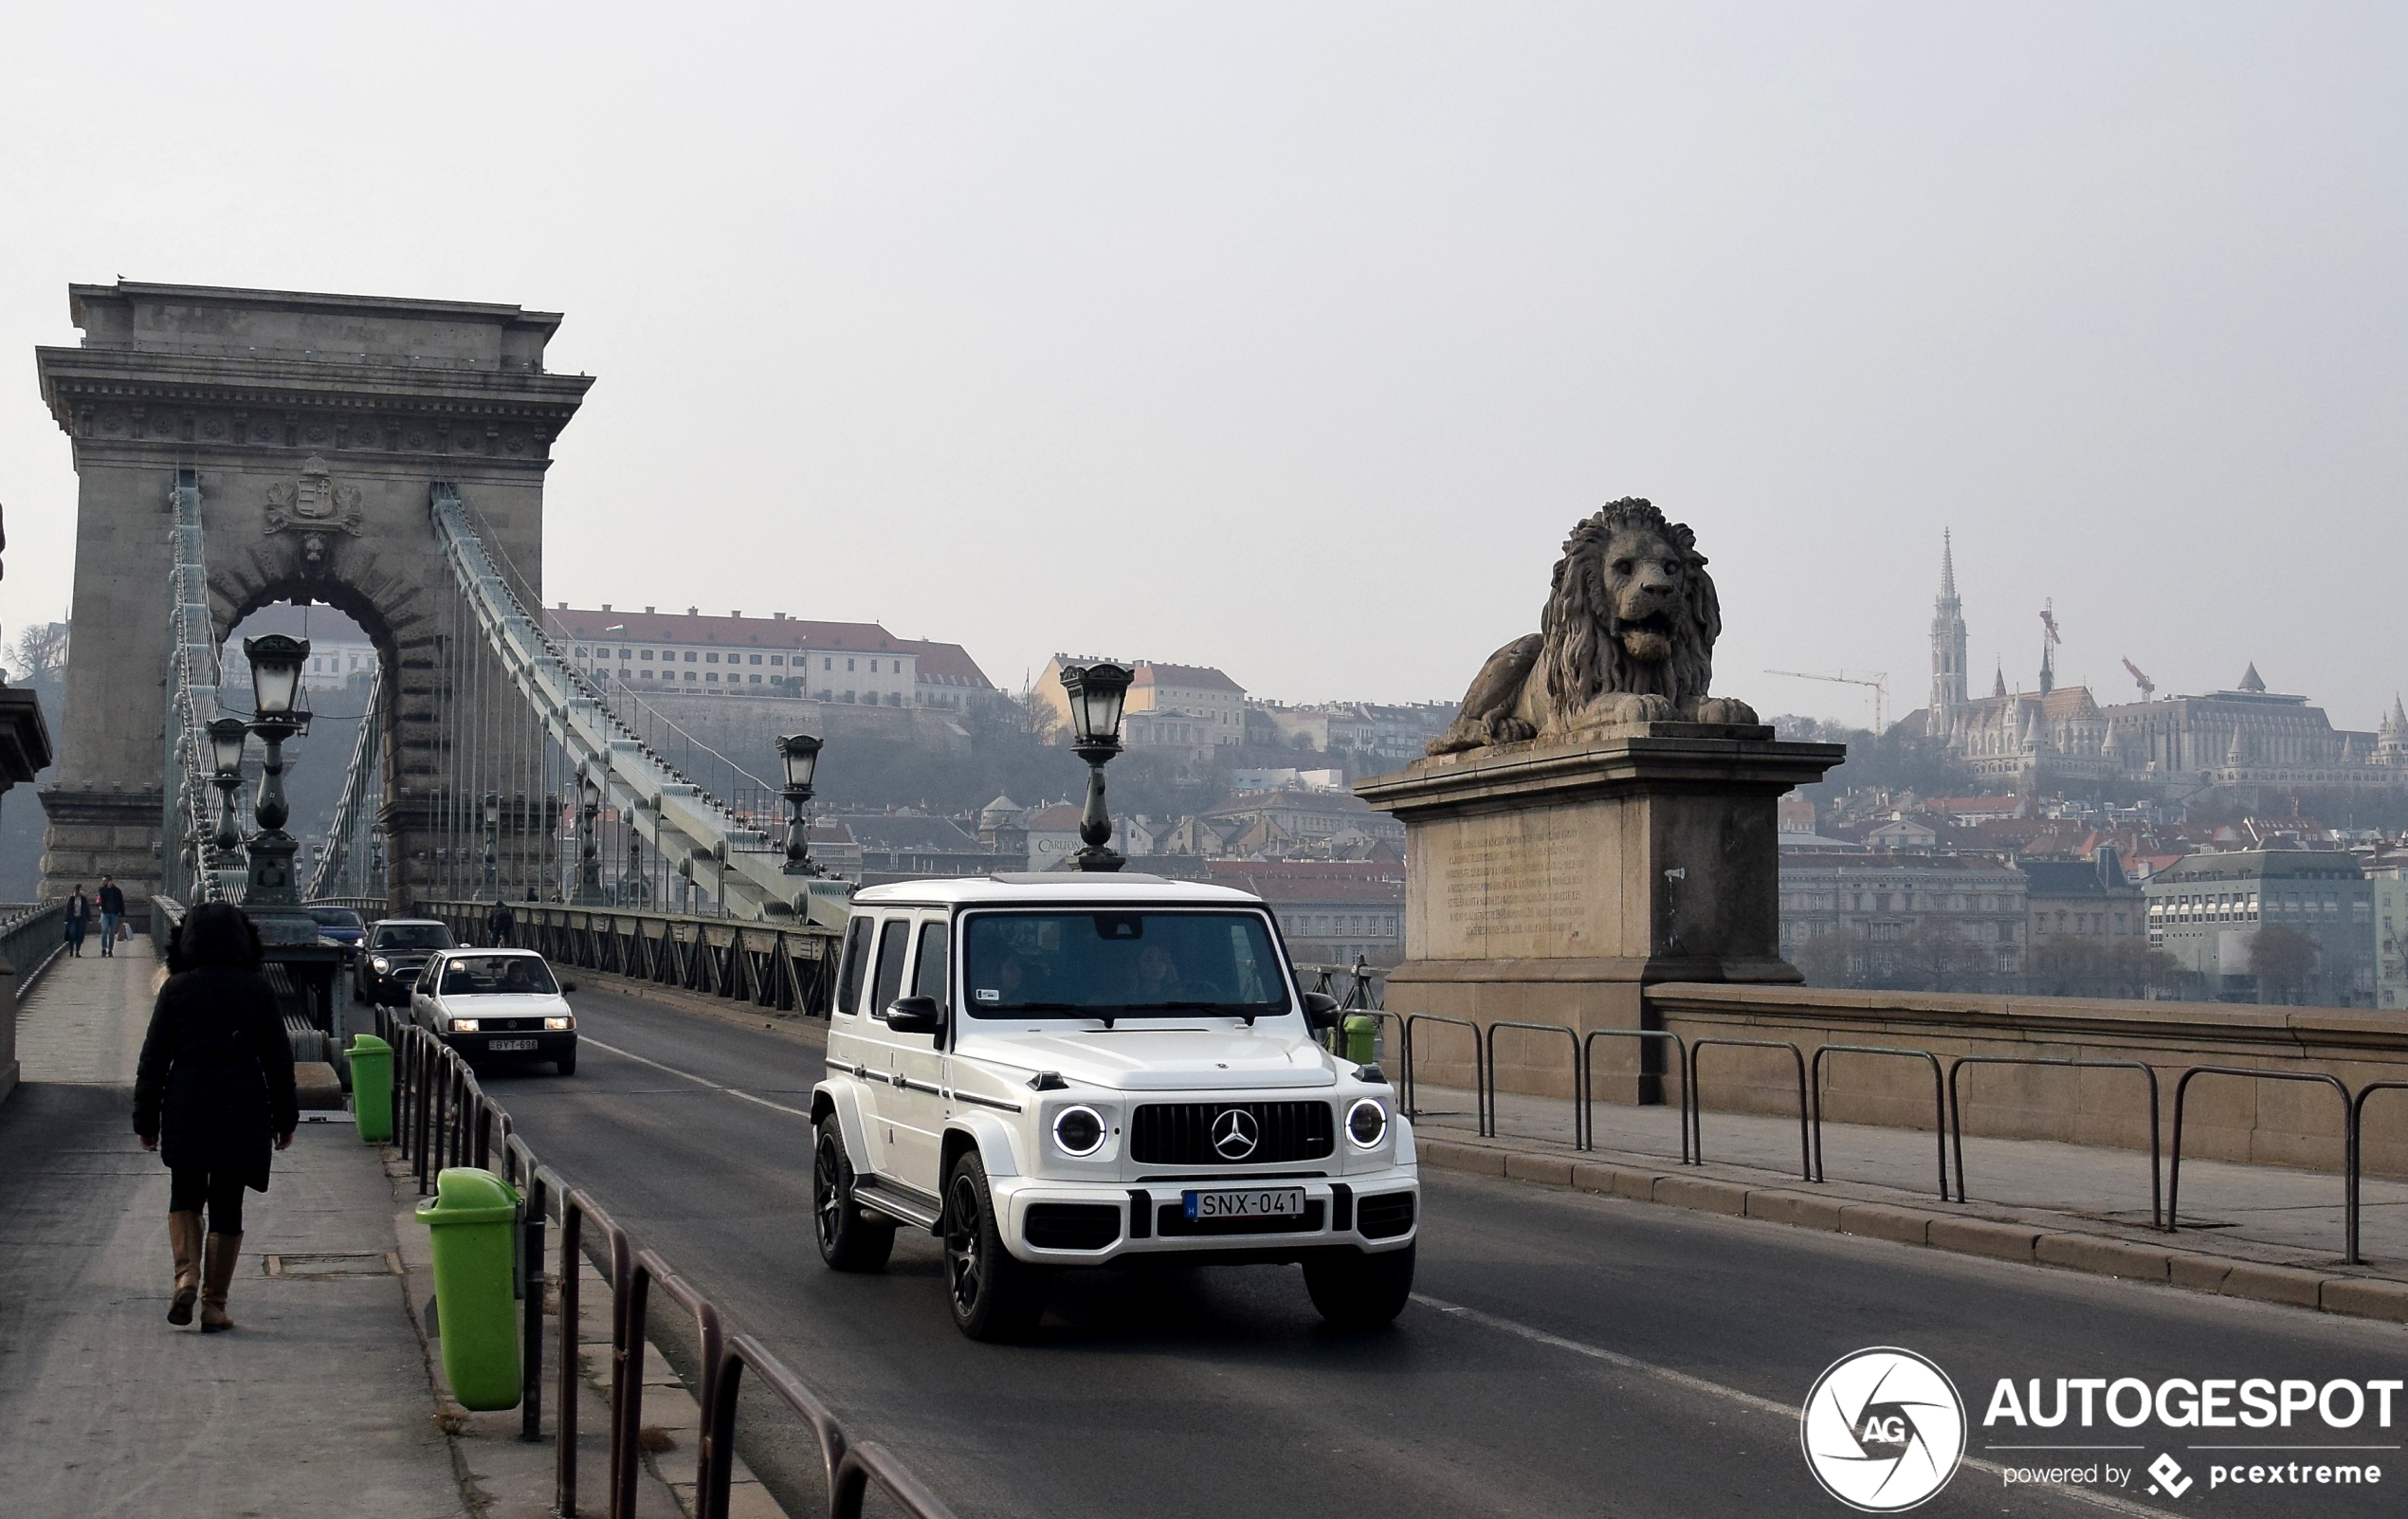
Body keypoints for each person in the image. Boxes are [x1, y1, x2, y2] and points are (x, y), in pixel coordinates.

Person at [133, 904, 299, 1332]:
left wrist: (146, 1121)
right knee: (228, 1201)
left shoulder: (176, 989)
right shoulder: (257, 989)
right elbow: (279, 1060)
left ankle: (186, 1276)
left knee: (185, 1192)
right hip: (242, 1102)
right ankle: (214, 1306)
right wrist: (285, 1118)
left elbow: (153, 1060)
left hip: (187, 1098)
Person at [97, 875, 126, 958]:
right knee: (104, 930)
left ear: (110, 881)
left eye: (105, 880)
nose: (103, 882)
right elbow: (103, 897)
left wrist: (123, 914)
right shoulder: (102, 889)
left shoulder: (117, 891)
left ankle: (110, 949)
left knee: (112, 932)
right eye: (103, 880)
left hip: (114, 914)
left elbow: (121, 903)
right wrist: (108, 889)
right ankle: (103, 948)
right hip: (105, 913)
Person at [64, 885, 89, 958]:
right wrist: (66, 919)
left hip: (81, 919)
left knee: (79, 935)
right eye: (81, 889)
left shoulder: (83, 899)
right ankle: (71, 949)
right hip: (73, 919)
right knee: (72, 933)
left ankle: (77, 951)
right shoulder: (71, 899)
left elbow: (86, 908)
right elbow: (68, 910)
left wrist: (89, 918)